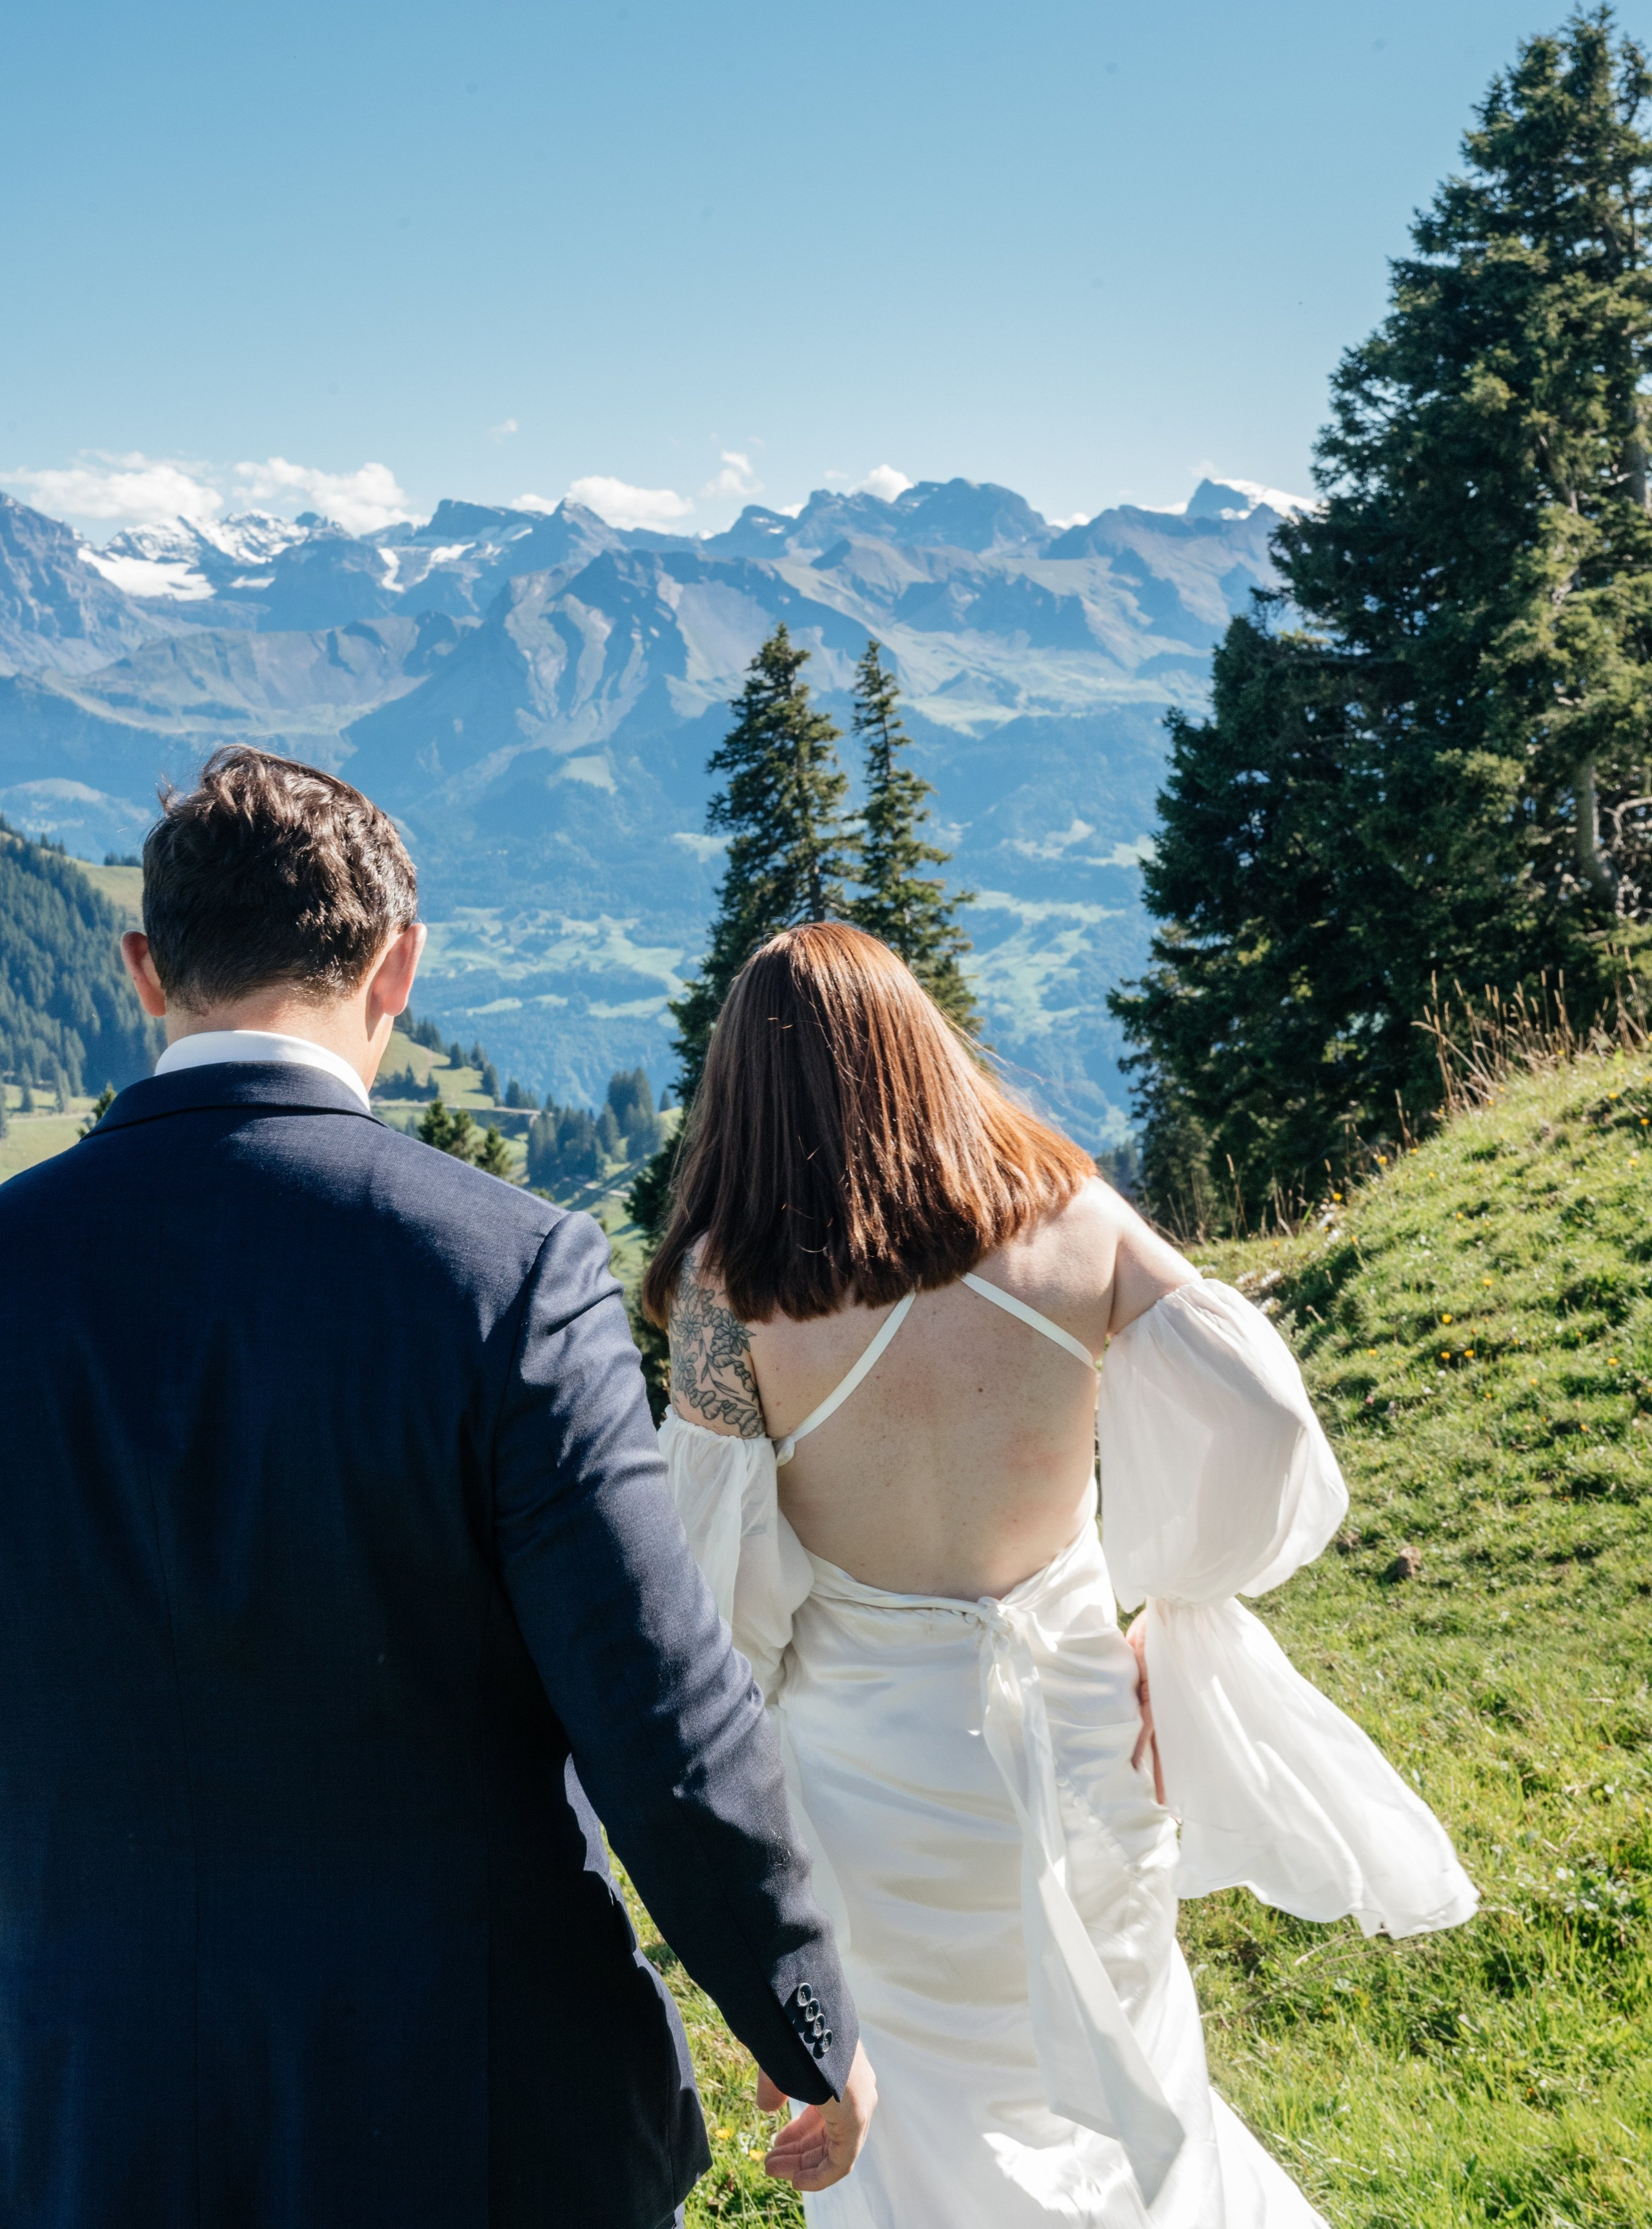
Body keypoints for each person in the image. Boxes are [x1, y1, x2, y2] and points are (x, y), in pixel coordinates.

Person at [0, 746, 874, 2229]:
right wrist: (798, 2011)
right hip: (465, 2106)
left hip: (81, 2103)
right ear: (396, 968)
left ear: (146, 969)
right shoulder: (506, 1269)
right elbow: (654, 1704)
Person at [646, 921, 1478, 2228]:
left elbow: (703, 1598)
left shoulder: (729, 1293)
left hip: (877, 1785)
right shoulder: (1069, 1216)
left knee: (926, 2140)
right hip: (1090, 1730)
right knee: (1135, 2077)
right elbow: (1259, 1414)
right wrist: (1172, 1585)